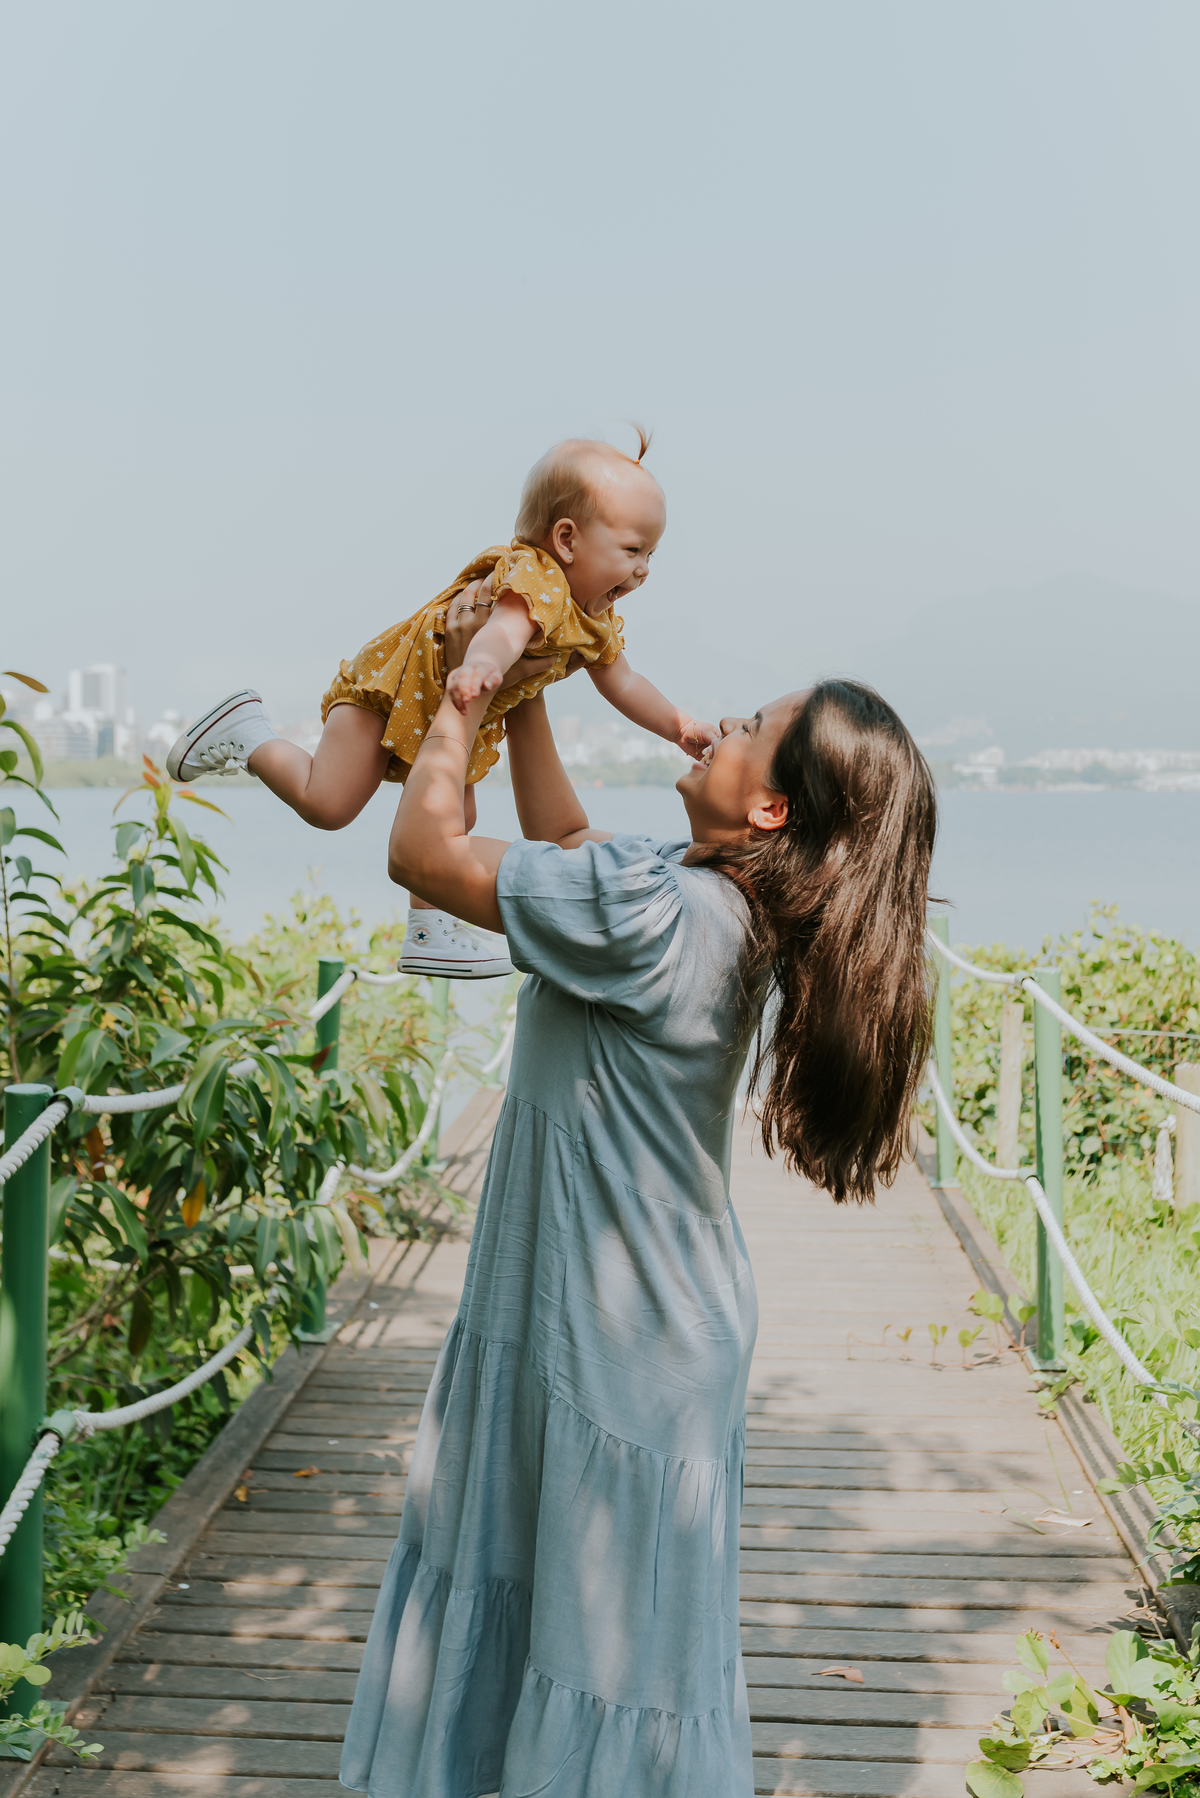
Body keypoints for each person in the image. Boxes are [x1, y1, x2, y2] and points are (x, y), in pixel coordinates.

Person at [338, 640, 938, 1797]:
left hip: (615, 1345)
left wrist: (465, 691)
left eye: (748, 724)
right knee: (599, 1646)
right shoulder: (709, 901)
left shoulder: (661, 917)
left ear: (767, 804)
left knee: (604, 1658)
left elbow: (421, 850)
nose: (714, 722)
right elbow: (565, 841)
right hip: (637, 1327)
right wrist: (531, 692)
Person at [165, 434, 717, 979]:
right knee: (328, 803)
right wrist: (480, 667)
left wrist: (679, 725)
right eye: (632, 550)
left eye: (651, 553)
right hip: (397, 688)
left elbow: (622, 681)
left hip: (455, 707)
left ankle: (428, 930)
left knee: (456, 817)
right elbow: (501, 632)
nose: (644, 569)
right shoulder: (537, 580)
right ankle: (250, 731)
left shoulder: (592, 616)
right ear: (567, 540)